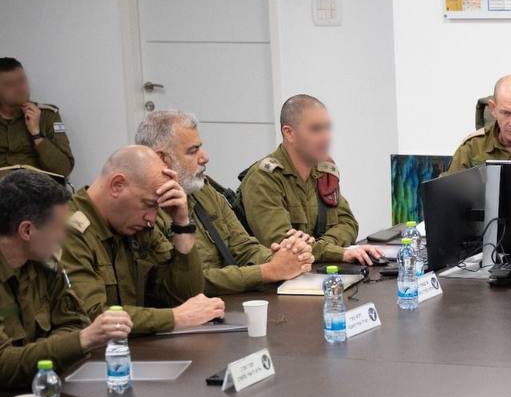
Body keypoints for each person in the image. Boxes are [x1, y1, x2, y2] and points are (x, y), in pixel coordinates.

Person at [134, 110, 314, 294]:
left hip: (227, 301)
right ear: (163, 159)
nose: (204, 158)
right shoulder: (145, 210)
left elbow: (243, 248)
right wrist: (267, 271)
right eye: (193, 151)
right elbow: (182, 284)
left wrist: (284, 256)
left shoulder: (203, 190)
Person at [60, 146, 224, 335]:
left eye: (157, 208)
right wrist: (175, 317)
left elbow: (185, 296)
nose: (152, 219)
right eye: (149, 204)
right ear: (117, 185)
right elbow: (92, 317)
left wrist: (182, 225)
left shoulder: (137, 226)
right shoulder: (66, 230)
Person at [0, 168, 132, 388]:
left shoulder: (46, 264)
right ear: (27, 231)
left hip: (45, 386)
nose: (63, 236)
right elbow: (3, 364)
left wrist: (40, 354)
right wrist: (82, 340)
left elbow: (74, 322)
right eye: (57, 228)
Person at [239, 94, 381, 267]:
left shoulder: (323, 170)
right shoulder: (263, 178)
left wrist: (322, 246)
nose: (326, 137)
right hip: (279, 279)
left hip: (316, 270)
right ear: (289, 133)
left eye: (327, 128)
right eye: (315, 129)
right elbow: (283, 244)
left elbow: (348, 223)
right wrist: (337, 252)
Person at [0, 58, 74, 177]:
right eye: (10, 84)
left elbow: (64, 169)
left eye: (22, 81)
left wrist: (36, 134)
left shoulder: (48, 115)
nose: (20, 89)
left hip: (35, 185)